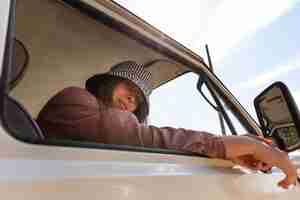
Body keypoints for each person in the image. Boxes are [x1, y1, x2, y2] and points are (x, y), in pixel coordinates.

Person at [36, 61, 297, 189]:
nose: (131, 100)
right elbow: (143, 137)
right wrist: (235, 144)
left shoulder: (105, 135)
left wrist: (232, 156)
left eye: (138, 100)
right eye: (129, 88)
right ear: (108, 83)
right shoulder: (75, 98)